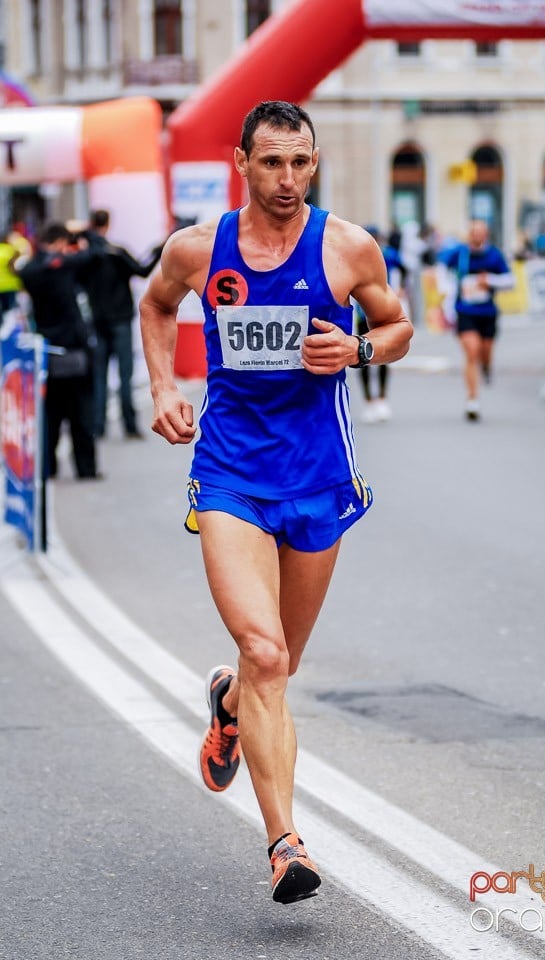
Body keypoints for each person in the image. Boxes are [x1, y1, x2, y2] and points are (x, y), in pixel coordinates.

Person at [139, 100, 412, 904]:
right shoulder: (198, 250)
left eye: (300, 163)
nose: (287, 179)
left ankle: (227, 702)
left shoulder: (346, 247)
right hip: (228, 470)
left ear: (314, 163)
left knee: (277, 665)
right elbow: (155, 305)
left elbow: (397, 327)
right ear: (241, 162)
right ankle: (285, 843)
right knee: (265, 654)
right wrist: (162, 384)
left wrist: (358, 347)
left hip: (319, 476)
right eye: (271, 163)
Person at [17, 222, 101, 479]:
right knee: (81, 415)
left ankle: (48, 469)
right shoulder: (66, 264)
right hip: (74, 350)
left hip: (46, 351)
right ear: (61, 242)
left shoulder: (30, 271)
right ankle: (85, 469)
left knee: (50, 416)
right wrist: (85, 233)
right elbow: (94, 253)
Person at [80, 209, 162, 439]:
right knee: (125, 375)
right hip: (121, 320)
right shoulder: (116, 252)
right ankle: (130, 425)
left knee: (100, 375)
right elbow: (142, 270)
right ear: (108, 223)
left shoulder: (86, 256)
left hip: (97, 320)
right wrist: (159, 249)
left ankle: (98, 426)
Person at [443, 220, 514, 421]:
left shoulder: (494, 256)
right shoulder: (460, 253)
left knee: (485, 352)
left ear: (486, 235)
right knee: (471, 352)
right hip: (465, 310)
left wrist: (489, 280)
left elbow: (510, 281)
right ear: (469, 234)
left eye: (481, 233)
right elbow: (441, 267)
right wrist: (445, 289)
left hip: (488, 312)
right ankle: (472, 400)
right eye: (474, 232)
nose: (477, 236)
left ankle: (487, 366)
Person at [357, 226, 407, 422]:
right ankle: (369, 400)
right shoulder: (358, 255)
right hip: (362, 314)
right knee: (361, 357)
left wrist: (401, 288)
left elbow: (405, 270)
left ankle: (382, 398)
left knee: (383, 356)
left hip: (385, 312)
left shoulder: (390, 255)